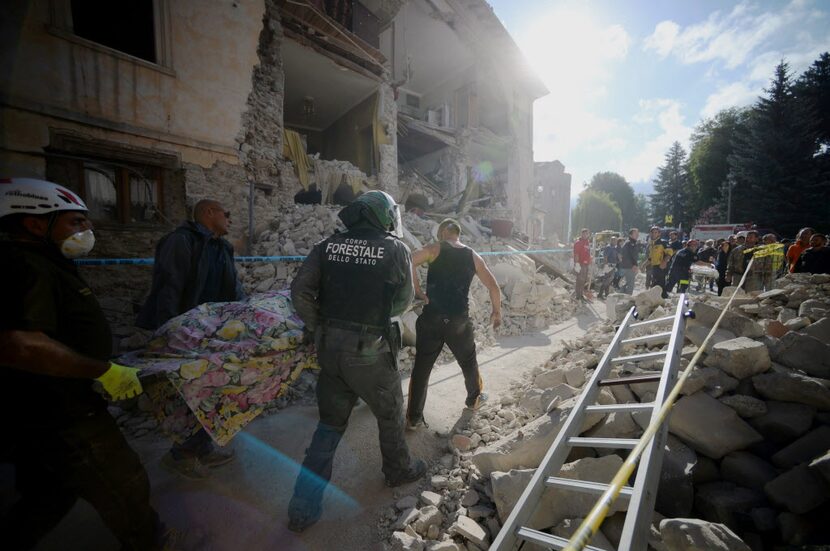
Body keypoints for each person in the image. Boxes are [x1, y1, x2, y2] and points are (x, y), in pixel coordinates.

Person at [0, 178, 163, 549]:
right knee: (125, 481)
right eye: (76, 221)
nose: (88, 228)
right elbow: (22, 344)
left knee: (50, 492)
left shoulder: (45, 261)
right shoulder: (25, 266)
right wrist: (103, 371)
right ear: (35, 224)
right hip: (62, 410)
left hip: (43, 408)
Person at [288, 190, 425, 532]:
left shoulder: (326, 246)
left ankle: (302, 508)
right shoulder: (395, 248)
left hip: (330, 347)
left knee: (329, 425)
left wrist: (321, 326)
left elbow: (299, 292)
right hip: (371, 349)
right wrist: (377, 318)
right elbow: (403, 301)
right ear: (384, 215)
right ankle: (398, 470)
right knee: (390, 411)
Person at [136, 198, 243, 478]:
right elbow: (168, 286)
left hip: (212, 334)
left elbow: (233, 289)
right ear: (209, 213)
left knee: (207, 391)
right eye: (226, 213)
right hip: (184, 333)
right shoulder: (180, 242)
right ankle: (181, 455)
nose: (230, 219)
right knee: (188, 394)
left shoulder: (223, 247)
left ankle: (201, 448)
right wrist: (171, 330)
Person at [405, 218, 502, 430]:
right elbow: (493, 286)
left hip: (432, 318)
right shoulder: (473, 256)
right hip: (458, 321)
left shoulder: (434, 249)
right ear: (458, 234)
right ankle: (474, 399)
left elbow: (409, 260)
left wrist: (418, 291)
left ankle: (413, 419)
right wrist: (497, 311)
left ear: (442, 233)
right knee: (468, 361)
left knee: (422, 368)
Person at [646, 227, 673, 298]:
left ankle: (662, 298)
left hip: (661, 267)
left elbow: (670, 253)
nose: (653, 234)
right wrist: (643, 265)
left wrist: (664, 262)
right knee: (655, 284)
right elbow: (650, 258)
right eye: (652, 232)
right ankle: (659, 299)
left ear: (659, 234)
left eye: (655, 232)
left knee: (659, 285)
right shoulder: (652, 244)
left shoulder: (663, 242)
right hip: (654, 267)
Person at [572, 228, 592, 302]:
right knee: (579, 280)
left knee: (584, 280)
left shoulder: (587, 242)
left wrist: (590, 260)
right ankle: (578, 295)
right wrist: (577, 264)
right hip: (581, 264)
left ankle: (581, 294)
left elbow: (587, 253)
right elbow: (576, 254)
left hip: (586, 264)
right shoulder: (578, 243)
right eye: (584, 233)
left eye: (587, 234)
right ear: (582, 234)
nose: (586, 235)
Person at [618, 228, 640, 294]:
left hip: (627, 267)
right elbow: (630, 255)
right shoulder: (630, 243)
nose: (637, 235)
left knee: (624, 284)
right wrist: (634, 265)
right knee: (629, 285)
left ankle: (622, 299)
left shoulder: (631, 243)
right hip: (629, 267)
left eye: (637, 233)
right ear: (630, 235)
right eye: (635, 233)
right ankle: (626, 300)